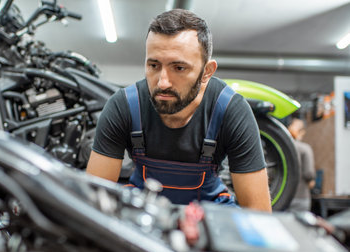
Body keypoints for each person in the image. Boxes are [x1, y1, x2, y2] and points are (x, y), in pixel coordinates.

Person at [86, 9, 271, 212]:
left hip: (208, 214)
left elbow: (258, 214)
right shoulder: (124, 106)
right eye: (154, 65)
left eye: (179, 68)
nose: (163, 82)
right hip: (142, 211)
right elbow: (93, 203)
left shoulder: (231, 110)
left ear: (206, 72)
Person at [287, 118, 316, 212]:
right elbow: (309, 174)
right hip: (301, 198)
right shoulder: (305, 149)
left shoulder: (280, 147)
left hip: (283, 198)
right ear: (302, 132)